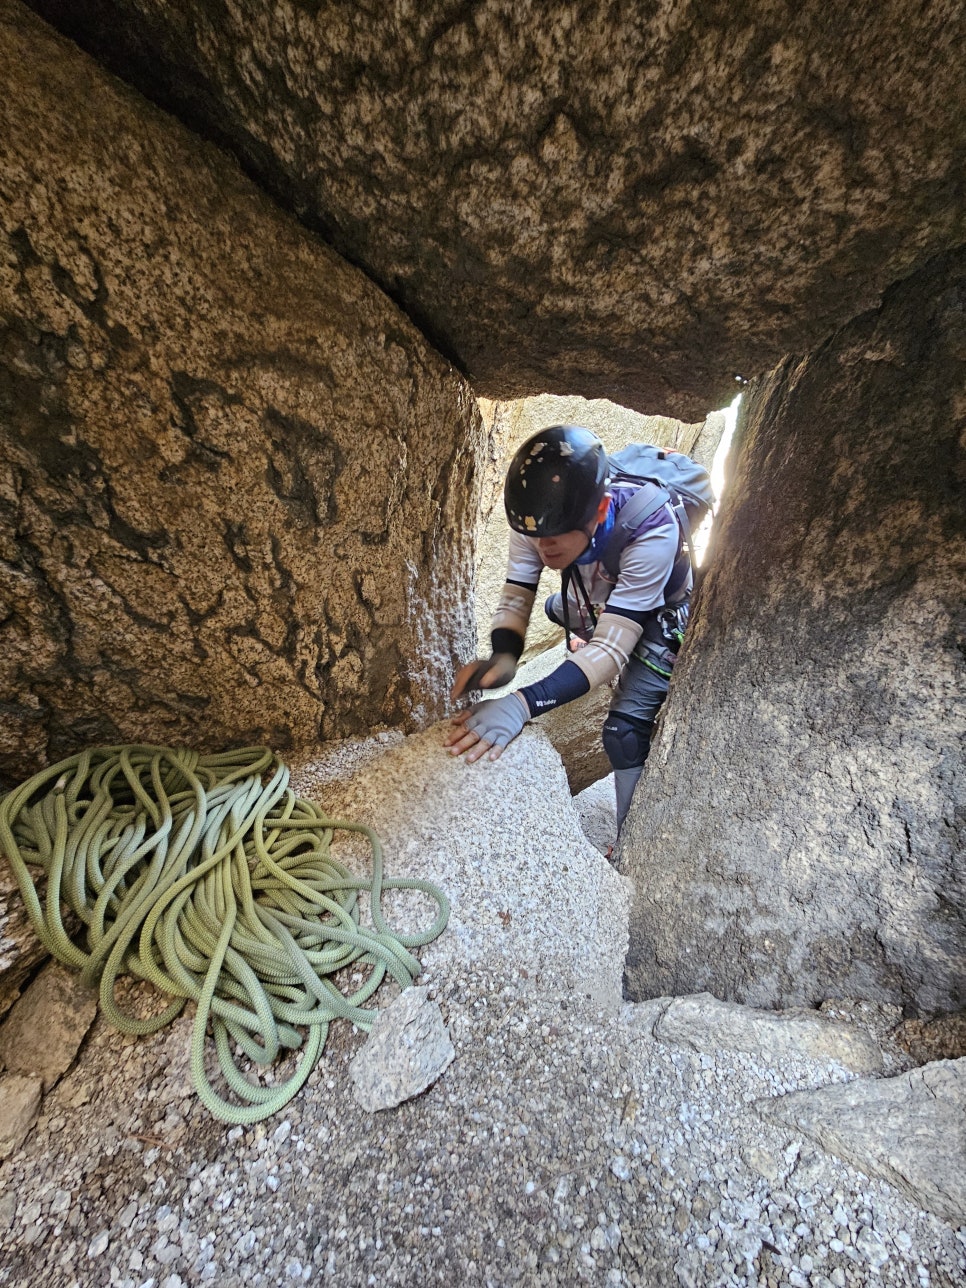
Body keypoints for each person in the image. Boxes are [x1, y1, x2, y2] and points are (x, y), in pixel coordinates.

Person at [445, 424, 692, 832]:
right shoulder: (538, 516)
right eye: (535, 537)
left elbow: (611, 652)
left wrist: (522, 704)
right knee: (551, 607)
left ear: (600, 509)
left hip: (657, 609)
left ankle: (630, 837)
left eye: (554, 538)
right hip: (599, 591)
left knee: (623, 732)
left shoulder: (652, 529)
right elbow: (518, 591)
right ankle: (586, 626)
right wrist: (504, 655)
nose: (543, 547)